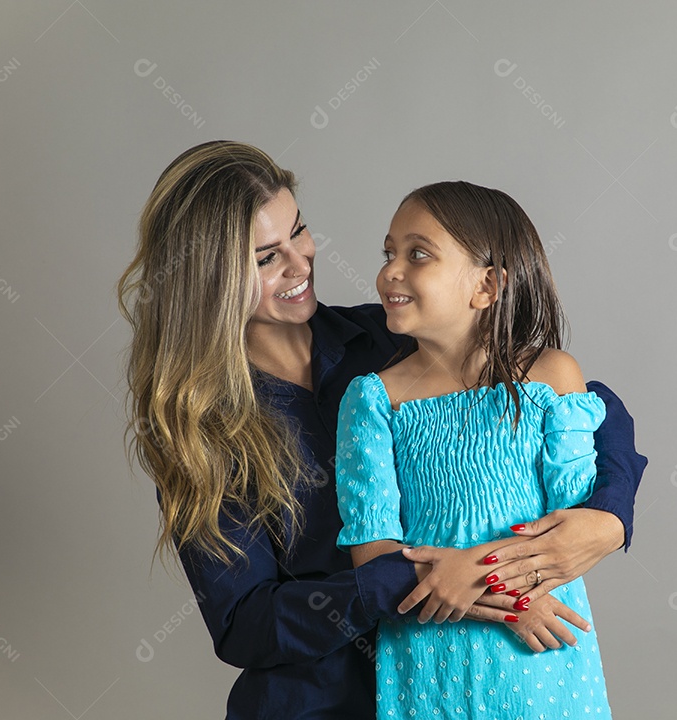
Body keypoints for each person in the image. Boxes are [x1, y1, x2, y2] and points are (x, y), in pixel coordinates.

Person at [116, 140, 647, 719]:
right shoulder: (201, 430)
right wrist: (428, 579)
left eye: (299, 230)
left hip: (474, 685)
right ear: (208, 279)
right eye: (267, 258)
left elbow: (578, 402)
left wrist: (608, 516)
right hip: (319, 705)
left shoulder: (394, 336)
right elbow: (244, 624)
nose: (300, 264)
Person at [336, 181, 615, 717]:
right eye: (389, 252)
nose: (391, 270)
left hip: (542, 654)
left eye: (418, 254)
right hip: (431, 659)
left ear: (487, 286)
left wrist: (480, 575)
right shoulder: (374, 401)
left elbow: (570, 525)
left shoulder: (553, 379)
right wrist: (510, 601)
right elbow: (373, 555)